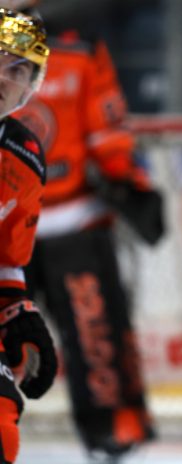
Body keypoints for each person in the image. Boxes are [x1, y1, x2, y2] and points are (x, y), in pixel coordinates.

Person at [5, 0, 165, 460]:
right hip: (5, 229)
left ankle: (113, 430)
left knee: (95, 337)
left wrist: (128, 183)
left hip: (73, 221)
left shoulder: (78, 48)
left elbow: (108, 130)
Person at [0, 7, 58, 464]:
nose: (4, 78)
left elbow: (7, 257)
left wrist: (16, 312)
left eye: (18, 70)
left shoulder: (23, 156)